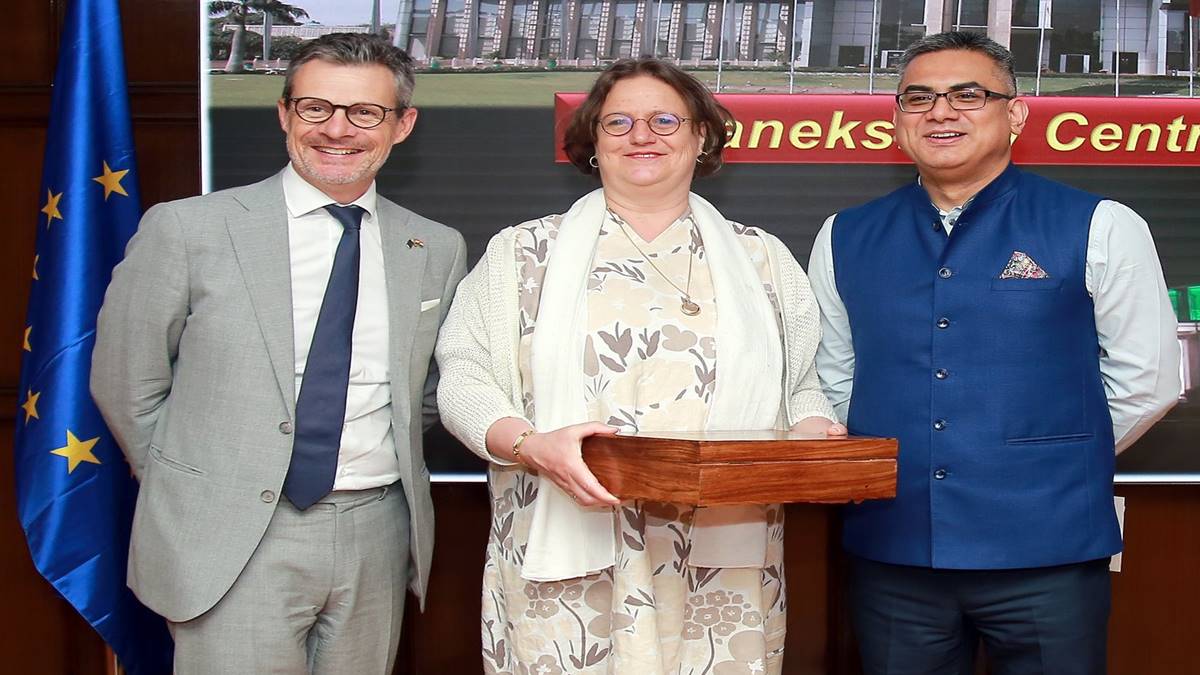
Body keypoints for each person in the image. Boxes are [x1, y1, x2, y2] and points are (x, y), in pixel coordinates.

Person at [435, 57, 843, 675]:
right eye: (618, 121)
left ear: (700, 136)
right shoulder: (522, 253)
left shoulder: (762, 258)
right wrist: (530, 445)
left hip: (719, 558)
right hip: (565, 543)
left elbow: (802, 385)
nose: (641, 135)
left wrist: (812, 433)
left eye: (664, 120)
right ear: (593, 141)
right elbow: (465, 377)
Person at [90, 33, 466, 674]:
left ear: (402, 126)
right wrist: (201, 484)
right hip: (231, 535)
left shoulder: (434, 247)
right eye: (316, 108)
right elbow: (127, 383)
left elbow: (428, 389)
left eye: (365, 112)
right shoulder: (188, 229)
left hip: (377, 531)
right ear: (285, 114)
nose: (337, 130)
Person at [808, 31, 1180, 675]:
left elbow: (1149, 379)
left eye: (967, 95)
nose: (940, 112)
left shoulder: (1102, 224)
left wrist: (1051, 460)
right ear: (897, 119)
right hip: (893, 550)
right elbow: (832, 378)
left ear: (1016, 114)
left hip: (1049, 551)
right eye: (919, 98)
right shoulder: (844, 234)